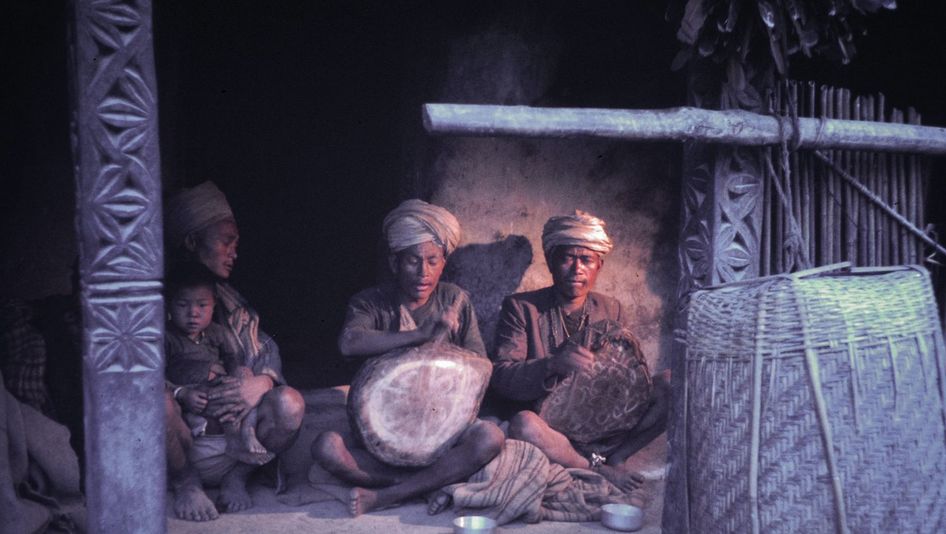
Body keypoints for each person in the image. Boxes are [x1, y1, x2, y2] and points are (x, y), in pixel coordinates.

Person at [311, 199, 504, 517]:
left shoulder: (454, 299)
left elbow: (481, 366)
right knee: (326, 447)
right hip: (380, 436)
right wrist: (421, 336)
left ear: (444, 262)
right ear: (394, 262)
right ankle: (425, 484)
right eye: (412, 261)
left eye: (432, 260)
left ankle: (388, 494)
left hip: (444, 431)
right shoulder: (370, 302)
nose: (423, 272)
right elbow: (348, 343)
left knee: (490, 438)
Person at [490, 210, 669, 494]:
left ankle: (617, 457)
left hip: (600, 424)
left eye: (586, 259)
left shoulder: (612, 309)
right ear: (550, 261)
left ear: (599, 265)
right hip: (547, 425)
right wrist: (551, 365)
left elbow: (625, 376)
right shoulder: (521, 308)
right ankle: (597, 468)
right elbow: (500, 376)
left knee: (670, 385)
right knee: (523, 424)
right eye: (567, 258)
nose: (577, 269)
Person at [163, 182, 305, 521]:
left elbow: (263, 348)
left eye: (236, 243)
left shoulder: (230, 303)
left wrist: (262, 382)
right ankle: (186, 484)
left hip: (232, 436)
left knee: (290, 403)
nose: (234, 252)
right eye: (227, 241)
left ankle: (237, 477)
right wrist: (181, 393)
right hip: (181, 437)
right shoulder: (159, 304)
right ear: (192, 242)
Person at [164, 263, 273, 467]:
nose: (193, 313)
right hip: (195, 394)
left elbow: (234, 360)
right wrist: (182, 393)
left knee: (245, 373)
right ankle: (234, 439)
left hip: (222, 387)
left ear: (214, 307)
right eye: (182, 305)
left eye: (202, 305)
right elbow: (155, 378)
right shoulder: (167, 337)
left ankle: (248, 430)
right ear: (169, 306)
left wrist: (238, 380)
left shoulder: (218, 332)